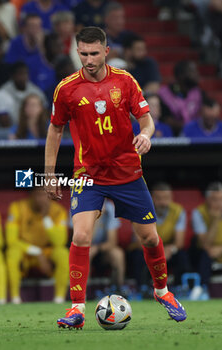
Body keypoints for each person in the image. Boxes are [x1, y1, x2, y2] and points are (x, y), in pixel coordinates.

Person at [44, 26, 186, 329]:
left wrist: (146, 136)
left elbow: (147, 121)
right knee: (81, 235)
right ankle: (77, 309)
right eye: (83, 53)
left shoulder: (125, 81)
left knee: (149, 236)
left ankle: (162, 291)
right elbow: (55, 129)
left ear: (106, 51)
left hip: (127, 171)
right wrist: (49, 173)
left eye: (94, 53)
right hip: (88, 173)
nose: (88, 59)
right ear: (77, 51)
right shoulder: (67, 88)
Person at [5, 187, 69, 304]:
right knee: (12, 252)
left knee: (63, 253)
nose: (42, 199)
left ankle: (59, 298)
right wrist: (37, 252)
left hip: (48, 252)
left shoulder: (58, 211)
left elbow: (60, 242)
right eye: (38, 195)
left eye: (46, 195)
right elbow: (11, 240)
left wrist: (46, 218)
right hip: (26, 251)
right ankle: (15, 298)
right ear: (31, 195)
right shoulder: (17, 207)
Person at [0, 61, 47, 127]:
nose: (23, 77)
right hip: (11, 131)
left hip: (34, 130)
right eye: (20, 74)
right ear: (12, 76)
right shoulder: (2, 93)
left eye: (25, 73)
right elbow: (4, 123)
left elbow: (45, 113)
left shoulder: (36, 91)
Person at [191, 182, 222, 297]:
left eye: (221, 199)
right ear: (207, 200)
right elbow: (205, 244)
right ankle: (202, 289)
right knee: (205, 254)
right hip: (208, 251)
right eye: (215, 199)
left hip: (219, 249)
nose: (219, 203)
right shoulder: (199, 212)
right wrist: (215, 220)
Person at [158, 60, 203, 135]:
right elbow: (165, 120)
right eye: (192, 71)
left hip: (195, 136)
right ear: (181, 75)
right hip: (172, 138)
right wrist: (187, 126)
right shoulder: (165, 93)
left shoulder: (197, 92)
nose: (197, 74)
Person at [89, 200, 125, 293]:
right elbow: (85, 240)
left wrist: (97, 248)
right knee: (87, 253)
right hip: (85, 248)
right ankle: (83, 293)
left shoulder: (110, 208)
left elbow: (112, 242)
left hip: (102, 249)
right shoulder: (81, 205)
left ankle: (118, 290)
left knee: (118, 254)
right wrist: (97, 218)